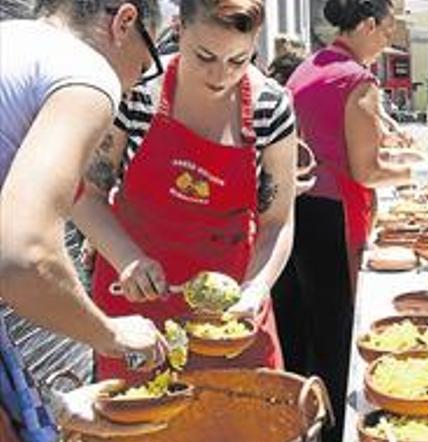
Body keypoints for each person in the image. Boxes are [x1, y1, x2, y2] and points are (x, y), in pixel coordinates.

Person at [72, 0, 299, 383]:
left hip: (229, 314)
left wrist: (256, 287)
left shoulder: (270, 108)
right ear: (180, 30)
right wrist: (127, 258)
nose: (219, 75)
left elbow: (277, 221)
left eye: (238, 60)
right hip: (136, 302)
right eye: (205, 56)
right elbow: (85, 195)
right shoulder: (138, 95)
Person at [0, 1, 169, 442]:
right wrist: (111, 334)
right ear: (123, 22)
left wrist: (48, 406)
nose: (136, 85)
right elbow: (23, 256)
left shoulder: (13, 42)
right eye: (143, 66)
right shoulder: (87, 72)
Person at [283, 0, 428, 442]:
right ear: (367, 25)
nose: (389, 41)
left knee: (306, 320)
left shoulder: (307, 68)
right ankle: (335, 434)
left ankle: (305, 420)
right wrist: (420, 171)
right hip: (334, 211)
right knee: (337, 320)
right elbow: (366, 169)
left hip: (299, 208)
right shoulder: (356, 79)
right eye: (387, 30)